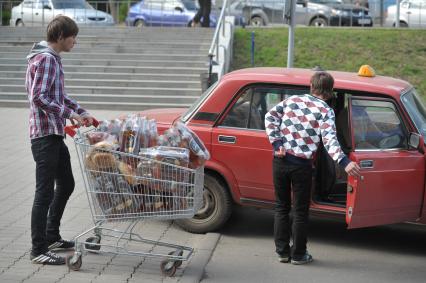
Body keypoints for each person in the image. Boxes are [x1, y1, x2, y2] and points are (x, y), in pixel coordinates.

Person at [264, 71, 361, 265]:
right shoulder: (325, 111)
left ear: (311, 86)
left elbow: (270, 116)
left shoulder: (292, 100)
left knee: (281, 207)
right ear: (330, 91)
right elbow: (329, 141)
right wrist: (344, 162)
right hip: (302, 167)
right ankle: (299, 255)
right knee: (300, 211)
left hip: (280, 162)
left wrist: (277, 144)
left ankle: (282, 252)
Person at [26, 15, 94, 265]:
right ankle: (38, 249)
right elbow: (39, 97)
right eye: (73, 36)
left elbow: (59, 95)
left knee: (66, 184)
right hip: (44, 136)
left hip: (53, 133)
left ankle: (51, 236)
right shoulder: (46, 59)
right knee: (44, 192)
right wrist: (69, 114)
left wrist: (81, 112)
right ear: (61, 36)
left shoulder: (51, 58)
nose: (75, 41)